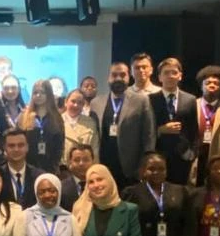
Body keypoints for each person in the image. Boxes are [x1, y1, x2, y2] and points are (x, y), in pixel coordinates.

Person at [93, 61, 155, 189]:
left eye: (122, 75)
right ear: (108, 78)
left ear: (129, 77)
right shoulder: (96, 103)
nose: (118, 78)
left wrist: (145, 163)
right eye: (114, 75)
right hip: (104, 164)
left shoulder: (141, 101)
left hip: (130, 167)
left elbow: (149, 135)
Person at [151, 57, 199, 185]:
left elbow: (194, 131)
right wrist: (160, 130)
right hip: (158, 156)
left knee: (180, 193)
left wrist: (192, 155)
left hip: (183, 157)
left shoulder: (190, 99)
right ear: (160, 77)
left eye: (174, 72)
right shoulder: (150, 100)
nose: (170, 76)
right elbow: (145, 130)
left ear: (180, 76)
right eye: (166, 73)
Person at [192, 66, 220, 186]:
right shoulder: (191, 106)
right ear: (201, 86)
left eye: (216, 83)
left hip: (216, 158)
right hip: (194, 157)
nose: (212, 86)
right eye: (208, 83)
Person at [18, 79, 65, 170]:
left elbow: (60, 144)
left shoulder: (56, 117)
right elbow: (18, 141)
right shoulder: (24, 116)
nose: (38, 95)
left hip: (50, 166)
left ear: (49, 95)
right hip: (28, 165)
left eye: (42, 93)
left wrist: (55, 164)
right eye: (35, 93)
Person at [0, 127, 45, 209]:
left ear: (27, 147)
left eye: (20, 145)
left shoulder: (40, 176)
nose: (16, 149)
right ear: (5, 148)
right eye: (11, 146)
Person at [61, 88, 98, 171]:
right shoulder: (57, 121)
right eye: (73, 101)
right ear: (66, 102)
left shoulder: (90, 123)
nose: (76, 105)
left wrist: (94, 170)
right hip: (64, 170)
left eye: (80, 103)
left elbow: (95, 150)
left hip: (86, 169)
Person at [60, 144, 93, 212]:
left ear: (93, 161)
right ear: (70, 162)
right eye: (77, 160)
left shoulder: (100, 186)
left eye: (86, 160)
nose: (81, 163)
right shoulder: (61, 188)